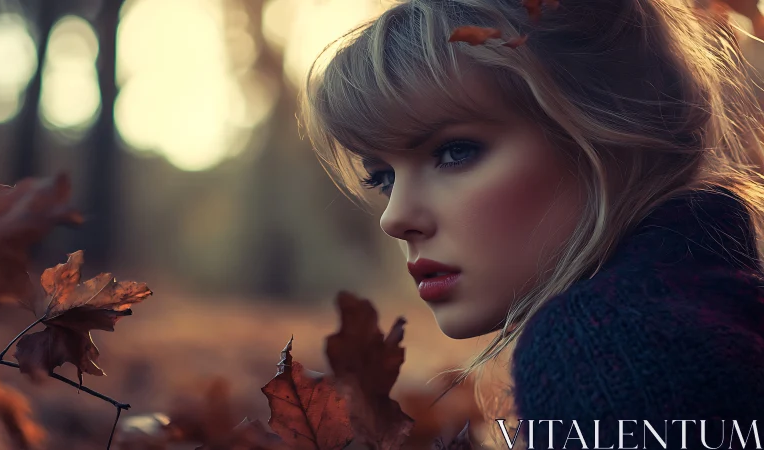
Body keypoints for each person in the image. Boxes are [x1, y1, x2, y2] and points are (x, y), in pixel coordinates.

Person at [298, 0, 764, 448]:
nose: (394, 217)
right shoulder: (714, 310)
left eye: (456, 151)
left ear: (607, 136)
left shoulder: (604, 344)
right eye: (382, 178)